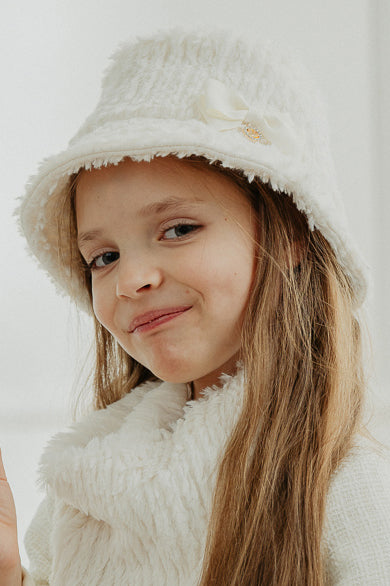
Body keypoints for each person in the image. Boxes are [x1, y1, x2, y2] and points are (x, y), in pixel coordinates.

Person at [1, 27, 390, 586]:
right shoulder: (88, 484)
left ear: (289, 235)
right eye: (103, 256)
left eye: (178, 228)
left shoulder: (344, 492)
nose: (132, 278)